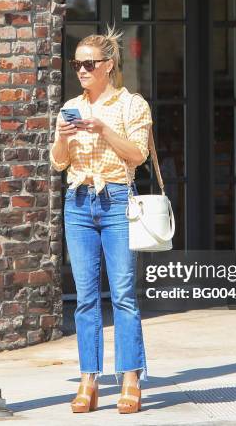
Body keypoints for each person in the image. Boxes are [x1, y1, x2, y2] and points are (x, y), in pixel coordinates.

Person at [49, 24, 152, 414]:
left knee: (123, 294)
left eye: (89, 64)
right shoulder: (70, 107)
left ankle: (130, 378)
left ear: (109, 65)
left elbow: (137, 154)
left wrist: (104, 129)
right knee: (85, 298)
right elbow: (59, 162)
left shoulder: (131, 105)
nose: (82, 71)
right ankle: (88, 380)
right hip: (78, 203)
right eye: (77, 64)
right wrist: (61, 135)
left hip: (115, 201)